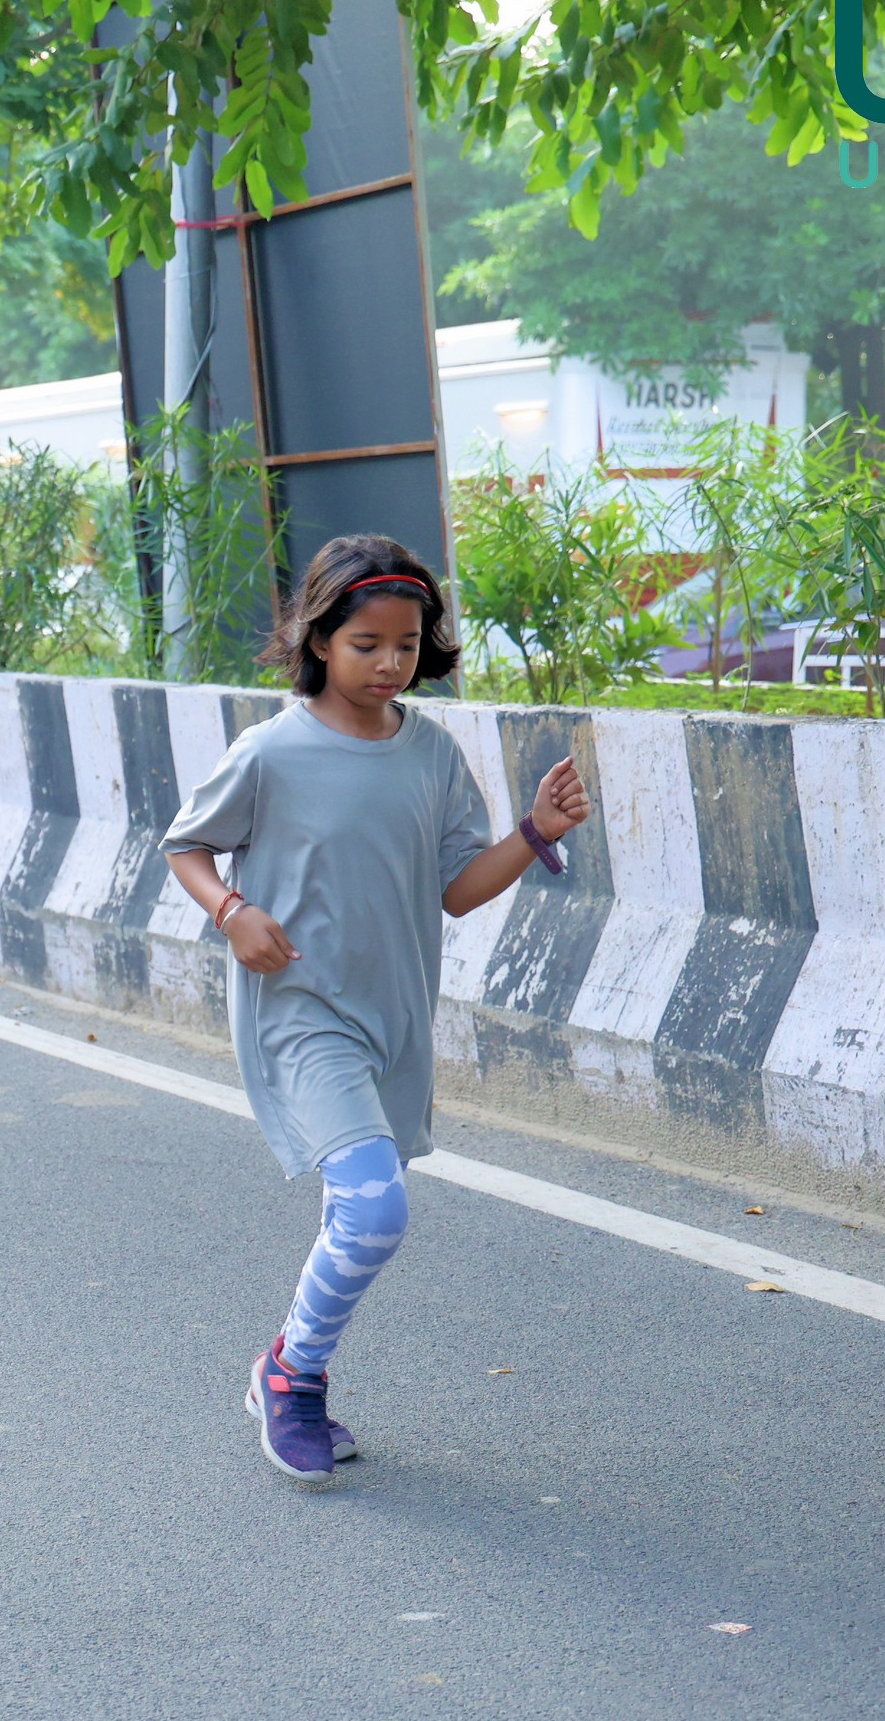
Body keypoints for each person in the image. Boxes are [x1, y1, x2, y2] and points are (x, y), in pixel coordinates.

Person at [161, 533, 590, 1488]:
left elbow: (457, 890)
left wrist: (535, 831)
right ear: (319, 640)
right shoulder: (271, 752)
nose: (390, 662)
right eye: (366, 644)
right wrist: (231, 913)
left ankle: (289, 1371)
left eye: (406, 644)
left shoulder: (430, 753)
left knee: (357, 1202)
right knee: (373, 1208)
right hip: (300, 1011)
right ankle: (291, 1376)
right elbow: (187, 846)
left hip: (392, 1016)